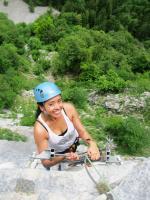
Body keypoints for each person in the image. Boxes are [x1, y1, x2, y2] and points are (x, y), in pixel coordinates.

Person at [33, 81, 100, 169]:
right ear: (41, 107)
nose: (57, 107)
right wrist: (65, 156)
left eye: (59, 101)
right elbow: (46, 162)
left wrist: (92, 143)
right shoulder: (40, 129)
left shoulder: (68, 109)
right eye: (51, 104)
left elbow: (82, 131)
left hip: (75, 146)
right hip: (56, 155)